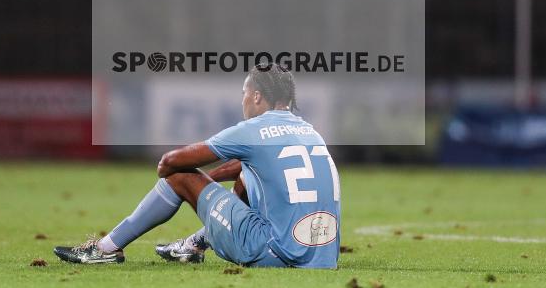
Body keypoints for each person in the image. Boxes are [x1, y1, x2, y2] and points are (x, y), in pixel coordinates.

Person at [54, 63, 341, 269]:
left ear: (256, 96)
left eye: (244, 92)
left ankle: (106, 249)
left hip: (273, 253)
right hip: (322, 256)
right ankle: (193, 245)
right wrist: (215, 183)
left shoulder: (252, 130)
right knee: (245, 178)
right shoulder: (311, 131)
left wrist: (193, 183)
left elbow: (170, 162)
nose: (242, 99)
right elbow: (250, 168)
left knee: (180, 177)